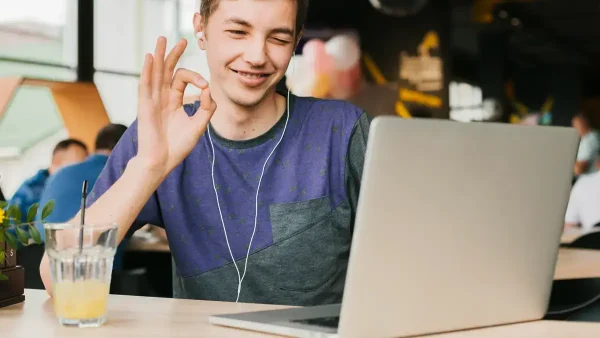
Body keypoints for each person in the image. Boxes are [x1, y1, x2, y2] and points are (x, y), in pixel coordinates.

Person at [41, 0, 370, 307]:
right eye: (238, 31)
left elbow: (408, 258)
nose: (257, 55)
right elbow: (58, 279)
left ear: (297, 39)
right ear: (201, 29)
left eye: (279, 38)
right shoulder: (160, 131)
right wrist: (149, 166)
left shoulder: (342, 130)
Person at [9, 139, 88, 222]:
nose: (80, 171)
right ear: (56, 162)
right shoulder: (29, 192)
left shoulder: (77, 189)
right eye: (76, 166)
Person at [564, 149, 600, 231]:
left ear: (597, 164)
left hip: (591, 239)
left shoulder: (582, 183)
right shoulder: (582, 183)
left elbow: (569, 224)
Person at [572, 112, 600, 177]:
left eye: (577, 124)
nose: (575, 127)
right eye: (574, 125)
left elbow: (579, 169)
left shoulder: (590, 139)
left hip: (594, 179)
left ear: (585, 122)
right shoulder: (586, 139)